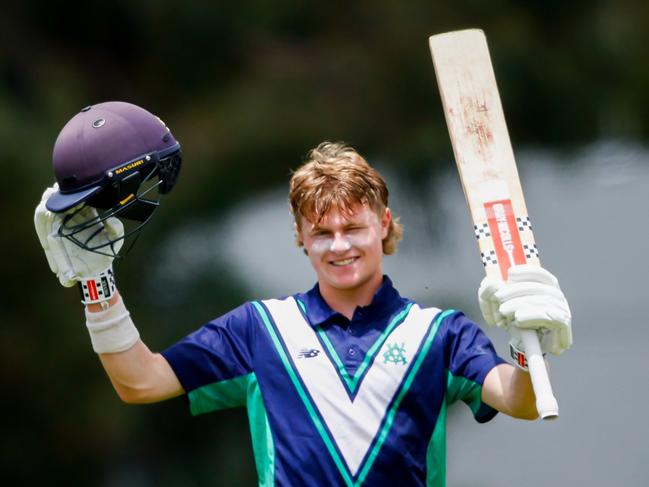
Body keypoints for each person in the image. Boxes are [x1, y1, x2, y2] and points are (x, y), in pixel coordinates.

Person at [34, 103, 572, 487]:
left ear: (384, 225)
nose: (339, 246)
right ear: (299, 236)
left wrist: (528, 343)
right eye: (321, 233)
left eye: (354, 228)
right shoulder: (258, 330)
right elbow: (140, 382)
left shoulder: (440, 334)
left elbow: (521, 400)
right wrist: (95, 284)